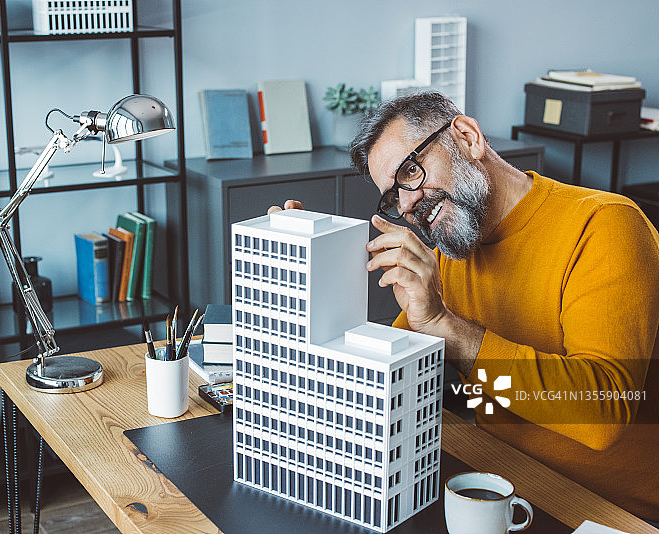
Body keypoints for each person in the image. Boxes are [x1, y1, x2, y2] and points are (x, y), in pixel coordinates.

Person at [268, 92, 659, 522]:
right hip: (502, 486)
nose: (406, 205)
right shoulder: (455, 252)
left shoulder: (606, 226)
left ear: (468, 137)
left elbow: (603, 412)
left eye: (410, 173)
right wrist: (307, 277)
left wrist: (447, 328)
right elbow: (380, 377)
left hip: (605, 512)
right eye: (391, 197)